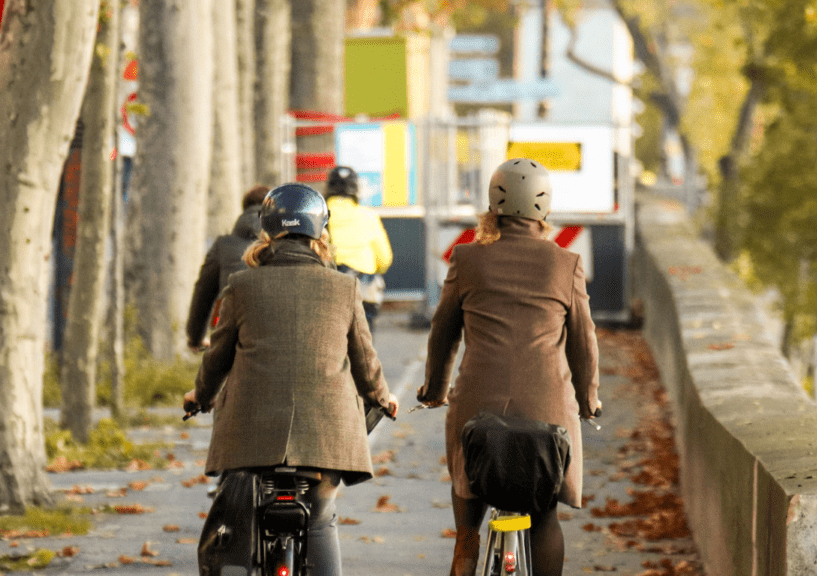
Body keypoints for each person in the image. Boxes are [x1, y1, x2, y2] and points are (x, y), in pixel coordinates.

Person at [182, 183, 399, 576]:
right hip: (325, 433)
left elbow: (217, 358)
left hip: (251, 431)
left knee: (245, 505)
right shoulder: (344, 287)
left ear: (268, 231)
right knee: (319, 517)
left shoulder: (242, 285)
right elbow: (366, 364)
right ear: (321, 234)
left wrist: (199, 396)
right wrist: (383, 398)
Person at [416, 158, 602, 576]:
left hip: (479, 407)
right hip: (547, 410)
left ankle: (467, 541)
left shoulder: (467, 259)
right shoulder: (565, 264)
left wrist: (434, 390)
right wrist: (588, 401)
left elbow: (443, 333)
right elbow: (583, 343)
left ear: (493, 206)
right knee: (544, 517)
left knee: (469, 498)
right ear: (545, 209)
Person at [185, 184, 270, 353]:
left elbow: (203, 293)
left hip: (235, 336)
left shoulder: (223, 245)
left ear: (244, 209)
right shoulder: (286, 244)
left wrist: (195, 337)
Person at [323, 166, 393, 332]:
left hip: (330, 288)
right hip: (362, 288)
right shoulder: (368, 216)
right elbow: (384, 259)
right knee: (364, 340)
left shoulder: (320, 215)